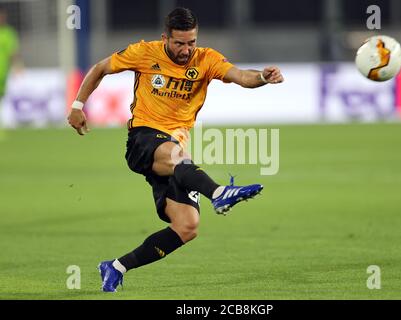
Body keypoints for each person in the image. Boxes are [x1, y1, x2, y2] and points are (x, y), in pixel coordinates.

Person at [67, 7, 284, 292]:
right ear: (165, 38)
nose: (186, 49)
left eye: (191, 42)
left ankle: (116, 267)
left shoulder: (206, 59)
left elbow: (242, 76)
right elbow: (100, 68)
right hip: (144, 139)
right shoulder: (144, 53)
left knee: (187, 226)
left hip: (174, 151)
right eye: (180, 43)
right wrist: (78, 105)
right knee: (179, 156)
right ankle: (219, 193)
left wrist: (264, 77)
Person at [0, 8, 19, 115]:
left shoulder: (9, 33)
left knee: (2, 96)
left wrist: (17, 66)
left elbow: (13, 52)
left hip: (3, 72)